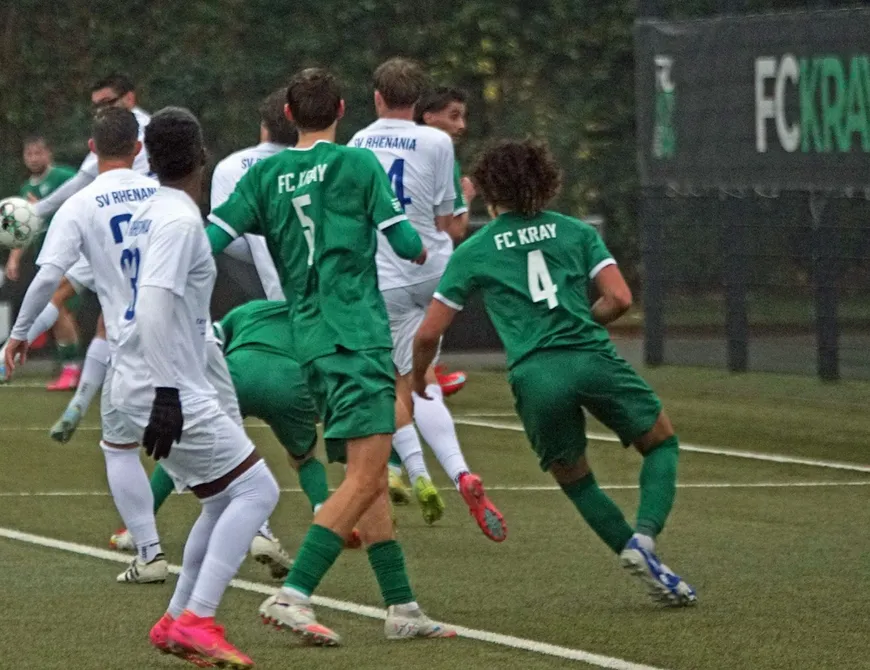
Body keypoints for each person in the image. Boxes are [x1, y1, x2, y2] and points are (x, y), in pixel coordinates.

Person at [207, 67, 454, 645]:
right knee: (368, 476)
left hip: (310, 341)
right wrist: (422, 252)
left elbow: (211, 241)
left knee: (361, 474)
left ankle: (402, 607)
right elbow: (409, 246)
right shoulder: (358, 164)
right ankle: (294, 593)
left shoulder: (264, 173)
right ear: (343, 109)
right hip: (358, 336)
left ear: (288, 116)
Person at [411, 139, 697, 607]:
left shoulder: (475, 250)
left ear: (487, 190)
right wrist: (585, 319)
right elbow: (620, 299)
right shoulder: (575, 232)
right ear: (545, 181)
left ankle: (633, 552)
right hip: (589, 356)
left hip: (534, 375)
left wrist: (421, 377)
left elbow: (427, 335)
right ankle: (644, 539)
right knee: (661, 442)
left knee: (575, 477)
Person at [112, 107, 278, 667]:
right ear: (202, 155)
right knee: (259, 492)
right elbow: (156, 304)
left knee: (222, 498)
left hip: (148, 377)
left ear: (147, 157)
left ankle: (174, 620)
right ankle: (199, 618)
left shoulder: (150, 211)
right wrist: (166, 393)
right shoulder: (181, 220)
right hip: (167, 381)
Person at [3, 108, 169, 585]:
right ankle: (256, 526)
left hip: (131, 349)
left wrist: (18, 336)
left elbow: (47, 279)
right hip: (185, 343)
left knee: (120, 449)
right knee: (214, 452)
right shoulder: (167, 197)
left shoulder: (82, 204)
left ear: (92, 150)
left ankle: (152, 553)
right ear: (139, 149)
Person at [350, 59, 505, 542]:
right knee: (425, 379)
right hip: (436, 272)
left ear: (377, 97)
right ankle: (460, 474)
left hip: (387, 275)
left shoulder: (356, 143)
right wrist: (465, 197)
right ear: (418, 103)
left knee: (393, 384)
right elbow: (451, 227)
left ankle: (415, 474)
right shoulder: (437, 144)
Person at [1, 74, 154, 432]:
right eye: (97, 105)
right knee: (94, 314)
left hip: (129, 231)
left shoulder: (137, 135)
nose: (101, 110)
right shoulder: (129, 138)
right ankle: (79, 403)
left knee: (103, 317)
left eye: (108, 103)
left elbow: (79, 186)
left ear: (129, 98)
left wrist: (34, 214)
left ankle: (84, 395)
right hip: (142, 228)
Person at [3, 135, 81, 390]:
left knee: (56, 305)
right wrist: (15, 258)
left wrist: (48, 207)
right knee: (59, 309)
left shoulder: (66, 177)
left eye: (38, 153)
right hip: (48, 257)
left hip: (75, 253)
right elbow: (26, 229)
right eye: (29, 154)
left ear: (49, 153)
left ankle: (73, 368)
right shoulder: (26, 189)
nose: (34, 158)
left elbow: (83, 202)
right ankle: (73, 367)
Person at [414, 85, 477, 396]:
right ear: (428, 118)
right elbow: (454, 229)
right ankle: (427, 377)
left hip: (383, 262)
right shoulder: (442, 158)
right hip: (425, 265)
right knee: (415, 375)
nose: (461, 126)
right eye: (454, 117)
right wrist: (466, 196)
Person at [210, 89, 298, 301]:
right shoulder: (321, 162)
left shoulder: (230, 167)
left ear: (264, 127)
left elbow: (226, 239)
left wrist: (260, 251)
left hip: (277, 296)